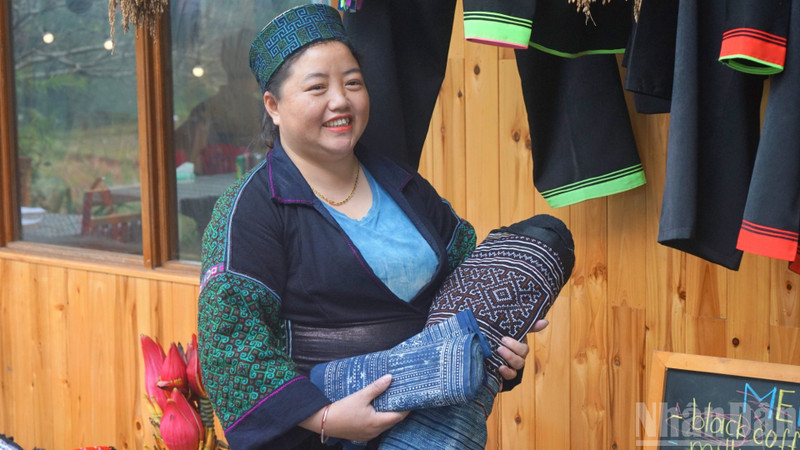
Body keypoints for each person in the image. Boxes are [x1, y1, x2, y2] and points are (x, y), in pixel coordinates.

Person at [197, 4, 544, 449]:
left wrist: (498, 345)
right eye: (317, 87)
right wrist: (326, 418)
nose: (340, 101)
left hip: (433, 428)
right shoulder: (250, 209)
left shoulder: (404, 186)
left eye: (353, 83)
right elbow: (229, 343)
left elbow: (465, 283)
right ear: (274, 106)